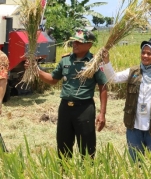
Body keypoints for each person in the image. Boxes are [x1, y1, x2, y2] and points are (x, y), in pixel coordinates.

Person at [30, 29, 108, 158]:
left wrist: (102, 113)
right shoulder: (65, 61)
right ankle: (64, 173)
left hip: (84, 108)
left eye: (79, 42)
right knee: (63, 144)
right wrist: (36, 70)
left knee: (87, 146)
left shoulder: (94, 62)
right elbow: (53, 80)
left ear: (89, 45)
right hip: (65, 107)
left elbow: (103, 86)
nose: (75, 45)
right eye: (74, 42)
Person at [102, 37, 151, 162]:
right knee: (135, 162)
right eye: (143, 52)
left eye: (149, 53)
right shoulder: (133, 72)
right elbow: (113, 78)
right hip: (134, 126)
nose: (145, 56)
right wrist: (106, 62)